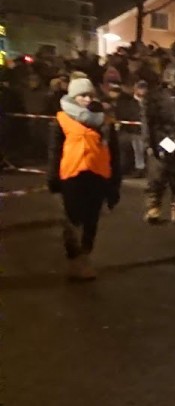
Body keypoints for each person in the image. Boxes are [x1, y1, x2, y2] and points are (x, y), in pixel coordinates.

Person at [47, 77, 122, 280]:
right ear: (73, 96)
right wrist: (52, 178)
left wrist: (115, 183)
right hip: (71, 175)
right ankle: (74, 259)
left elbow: (114, 154)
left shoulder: (105, 121)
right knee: (72, 219)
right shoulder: (61, 119)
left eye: (90, 95)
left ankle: (85, 257)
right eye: (82, 95)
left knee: (91, 220)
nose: (87, 99)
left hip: (98, 176)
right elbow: (55, 152)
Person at [141, 80, 175, 224]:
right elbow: (147, 122)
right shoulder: (154, 98)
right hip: (159, 138)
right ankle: (153, 207)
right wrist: (148, 142)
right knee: (156, 175)